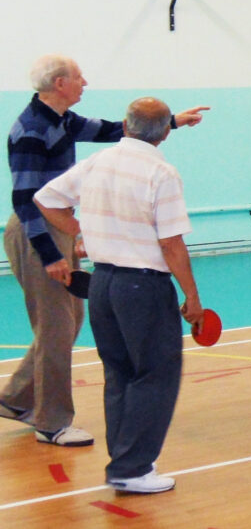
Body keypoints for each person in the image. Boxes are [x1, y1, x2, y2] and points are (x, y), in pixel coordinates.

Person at [0, 55, 206, 448]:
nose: (85, 82)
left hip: (54, 226)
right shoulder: (30, 129)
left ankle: (16, 398)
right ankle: (52, 422)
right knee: (56, 328)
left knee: (68, 321)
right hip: (36, 231)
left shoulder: (62, 119)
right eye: (78, 77)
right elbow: (27, 199)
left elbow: (119, 131)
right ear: (60, 83)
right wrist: (51, 254)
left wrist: (172, 121)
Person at [35, 97, 202, 494]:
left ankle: (125, 460)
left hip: (103, 286)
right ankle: (133, 468)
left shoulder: (99, 162)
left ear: (125, 127)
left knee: (120, 374)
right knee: (155, 375)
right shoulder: (162, 173)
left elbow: (45, 199)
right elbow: (172, 244)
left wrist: (82, 231)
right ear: (165, 133)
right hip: (143, 288)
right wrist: (192, 297)